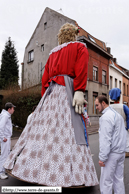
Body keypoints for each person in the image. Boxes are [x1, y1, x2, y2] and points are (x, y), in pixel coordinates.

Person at [4, 23, 98, 187]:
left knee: (43, 133)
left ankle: (35, 170)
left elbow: (45, 78)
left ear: (60, 37)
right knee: (69, 130)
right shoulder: (79, 47)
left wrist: (44, 99)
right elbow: (81, 69)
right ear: (74, 35)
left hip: (52, 93)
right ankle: (70, 175)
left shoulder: (53, 53)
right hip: (68, 90)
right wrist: (79, 90)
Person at [95, 95, 126, 194]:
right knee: (118, 180)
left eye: (97, 105)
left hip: (111, 154)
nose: (96, 108)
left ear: (103, 103)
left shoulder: (105, 117)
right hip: (120, 152)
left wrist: (102, 158)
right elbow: (124, 133)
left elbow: (105, 139)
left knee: (106, 182)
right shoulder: (117, 115)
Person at [109, 87, 129, 157]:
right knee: (125, 139)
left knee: (113, 139)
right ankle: (126, 151)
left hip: (112, 126)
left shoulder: (109, 107)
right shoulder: (124, 106)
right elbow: (128, 117)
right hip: (123, 126)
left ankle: (113, 151)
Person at [0, 102, 15, 179]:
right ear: (9, 109)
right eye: (13, 108)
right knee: (4, 155)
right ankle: (1, 172)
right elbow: (1, 127)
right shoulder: (5, 116)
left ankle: (3, 170)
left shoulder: (7, 115)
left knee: (6, 154)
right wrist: (2, 137)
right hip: (5, 138)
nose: (14, 110)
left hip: (6, 138)